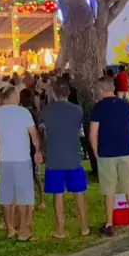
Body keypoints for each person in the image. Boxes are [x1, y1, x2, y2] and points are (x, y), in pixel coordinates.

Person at [89, 76, 129, 236]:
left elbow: (93, 133)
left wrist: (96, 152)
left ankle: (109, 223)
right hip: (126, 151)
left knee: (109, 189)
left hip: (106, 153)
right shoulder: (126, 105)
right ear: (113, 88)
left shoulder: (98, 108)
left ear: (100, 89)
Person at [0, 86, 42, 240]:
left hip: (4, 158)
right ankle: (23, 231)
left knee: (6, 195)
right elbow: (33, 134)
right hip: (22, 158)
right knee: (23, 196)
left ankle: (10, 229)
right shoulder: (23, 112)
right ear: (13, 97)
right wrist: (37, 151)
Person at [41, 79, 89, 238]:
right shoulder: (77, 110)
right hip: (73, 155)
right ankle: (84, 227)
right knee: (79, 192)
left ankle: (60, 229)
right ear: (68, 93)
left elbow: (44, 131)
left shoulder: (47, 111)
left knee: (58, 194)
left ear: (54, 94)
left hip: (54, 157)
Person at [19, 87, 45, 210]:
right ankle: (41, 200)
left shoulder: (24, 112)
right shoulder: (36, 111)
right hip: (34, 145)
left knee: (30, 175)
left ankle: (31, 201)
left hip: (27, 145)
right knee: (36, 174)